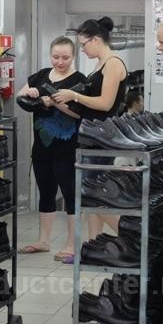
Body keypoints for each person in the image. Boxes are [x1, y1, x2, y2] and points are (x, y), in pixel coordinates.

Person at [52, 17, 127, 240]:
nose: (83, 50)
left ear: (96, 39)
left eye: (84, 44)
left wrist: (74, 96)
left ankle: (132, 238)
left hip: (102, 138)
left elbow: (105, 104)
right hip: (93, 136)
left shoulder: (113, 63)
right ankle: (94, 243)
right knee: (93, 196)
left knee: (92, 195)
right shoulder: (101, 64)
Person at [16, 36, 86, 262]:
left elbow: (79, 113)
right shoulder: (41, 76)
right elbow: (20, 97)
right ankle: (43, 240)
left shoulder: (79, 80)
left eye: (65, 57)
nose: (60, 62)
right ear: (50, 55)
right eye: (56, 57)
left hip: (67, 148)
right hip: (42, 147)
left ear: (73, 56)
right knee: (45, 192)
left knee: (70, 194)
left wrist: (54, 102)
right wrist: (32, 95)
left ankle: (71, 244)